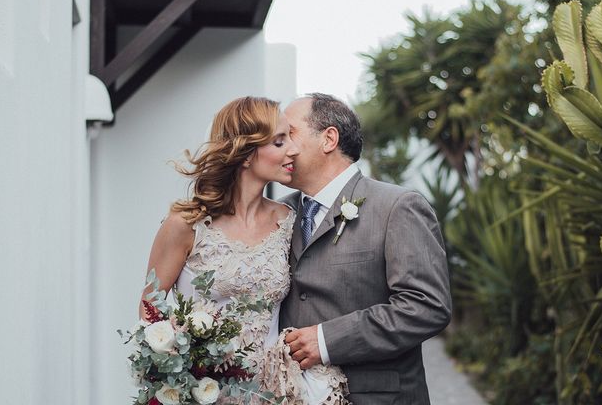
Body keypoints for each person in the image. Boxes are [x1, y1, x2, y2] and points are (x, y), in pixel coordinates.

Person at [140, 96, 348, 404]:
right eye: (279, 142)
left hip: (272, 390)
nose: (292, 149)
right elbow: (149, 311)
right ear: (246, 153)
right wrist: (180, 368)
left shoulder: (289, 222)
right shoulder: (186, 224)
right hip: (204, 392)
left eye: (289, 138)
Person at [280, 93, 452, 405]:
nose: (280, 146)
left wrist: (326, 340)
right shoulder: (278, 215)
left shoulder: (397, 207)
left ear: (328, 138)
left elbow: (426, 306)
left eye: (288, 133)